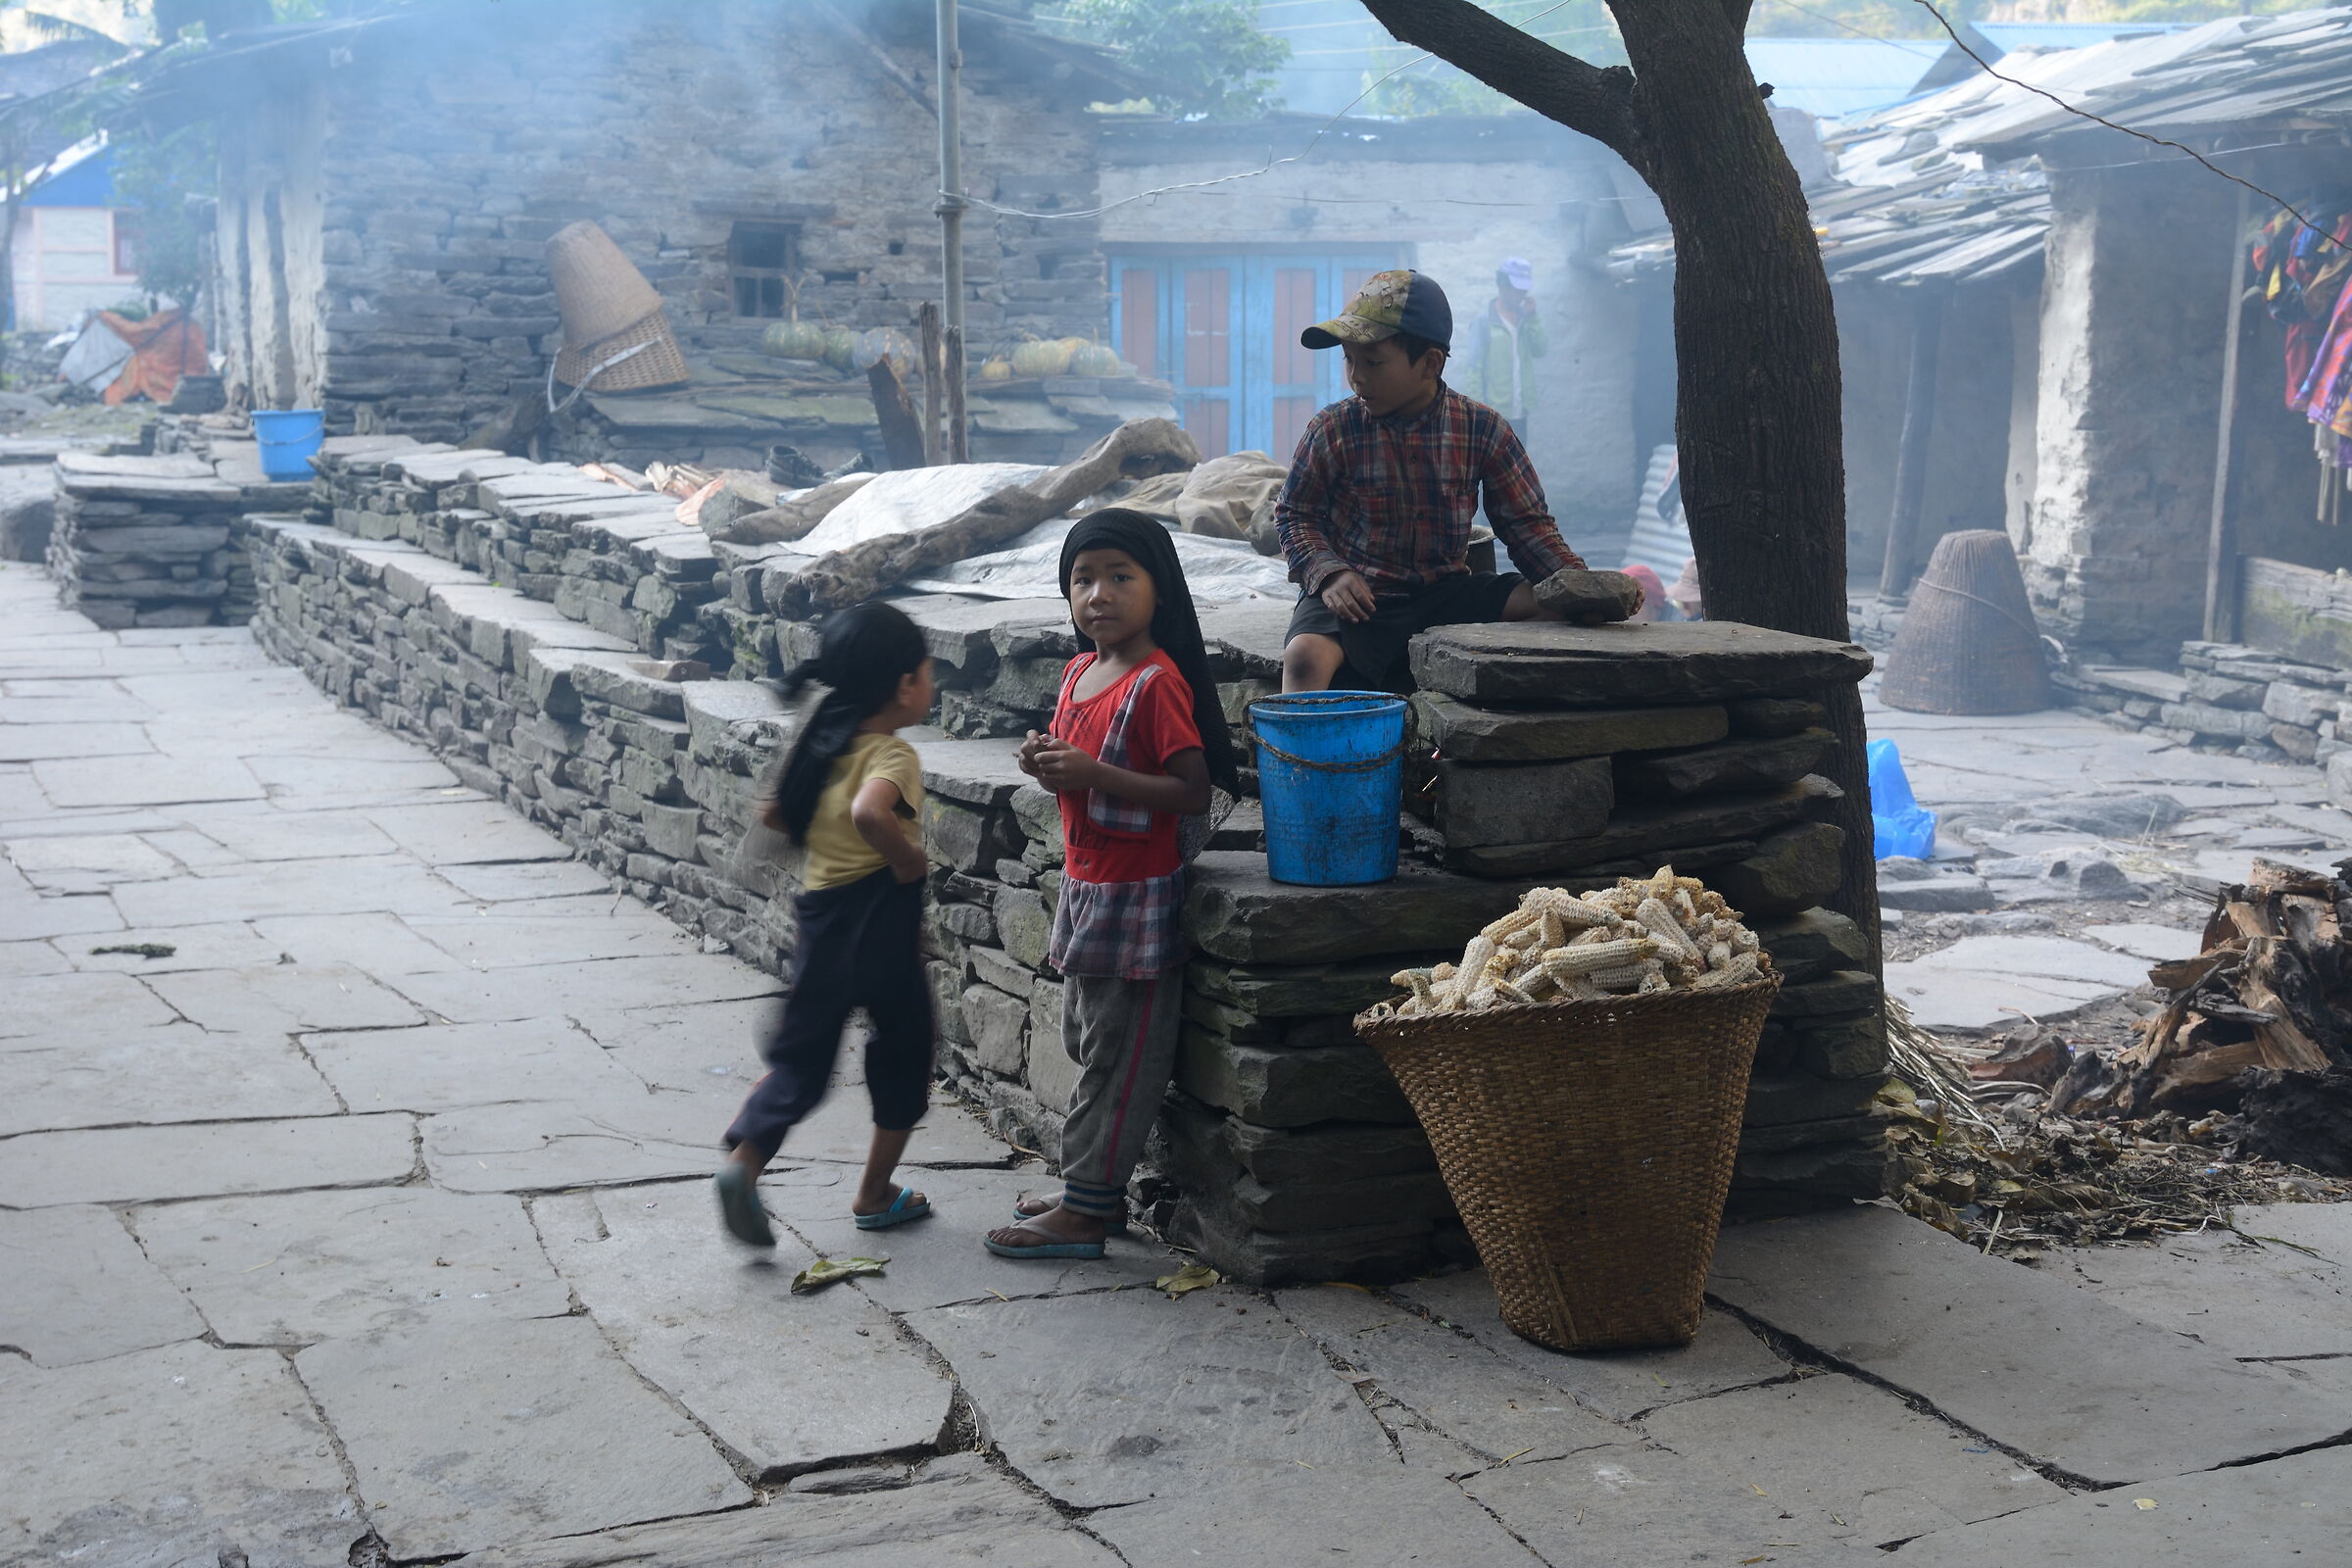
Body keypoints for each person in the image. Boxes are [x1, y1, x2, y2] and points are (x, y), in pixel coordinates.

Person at [985, 508, 1241, 1260]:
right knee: (1085, 1035)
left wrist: (1093, 773)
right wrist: (1047, 760)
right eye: (1082, 578)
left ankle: (1089, 1213)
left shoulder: (1156, 684)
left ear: (1160, 591)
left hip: (1136, 893)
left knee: (1120, 1055)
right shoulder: (1078, 672)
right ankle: (1086, 1185)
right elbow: (1079, 758)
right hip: (1087, 884)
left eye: (1120, 577)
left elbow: (1192, 790)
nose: (1099, 592)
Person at [713, 602, 939, 1250]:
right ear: (904, 684)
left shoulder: (822, 743)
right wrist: (909, 860)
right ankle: (873, 1194)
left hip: (822, 926)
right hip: (882, 928)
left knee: (801, 1063)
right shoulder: (892, 756)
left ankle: (743, 1168)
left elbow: (779, 816)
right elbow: (873, 815)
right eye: (927, 673)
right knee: (904, 1054)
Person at [1274, 268, 1593, 694]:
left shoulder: (1483, 429)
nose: (1357, 377)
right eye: (1349, 359)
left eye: (1373, 362)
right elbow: (1295, 514)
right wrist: (1329, 574)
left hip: (1445, 596)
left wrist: (1581, 588)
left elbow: (1527, 527)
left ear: (1429, 364)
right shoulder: (1333, 428)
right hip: (1357, 598)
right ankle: (1300, 758)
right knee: (1304, 658)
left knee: (1556, 609)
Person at [1464, 257, 1545, 440]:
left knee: (1518, 466)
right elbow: (1474, 369)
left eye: (1524, 289)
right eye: (1518, 289)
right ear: (1502, 285)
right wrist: (1479, 414)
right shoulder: (1484, 321)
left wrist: (1533, 317)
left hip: (1520, 411)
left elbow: (1540, 349)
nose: (1522, 294)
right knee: (1494, 467)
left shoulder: (1525, 319)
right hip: (1494, 414)